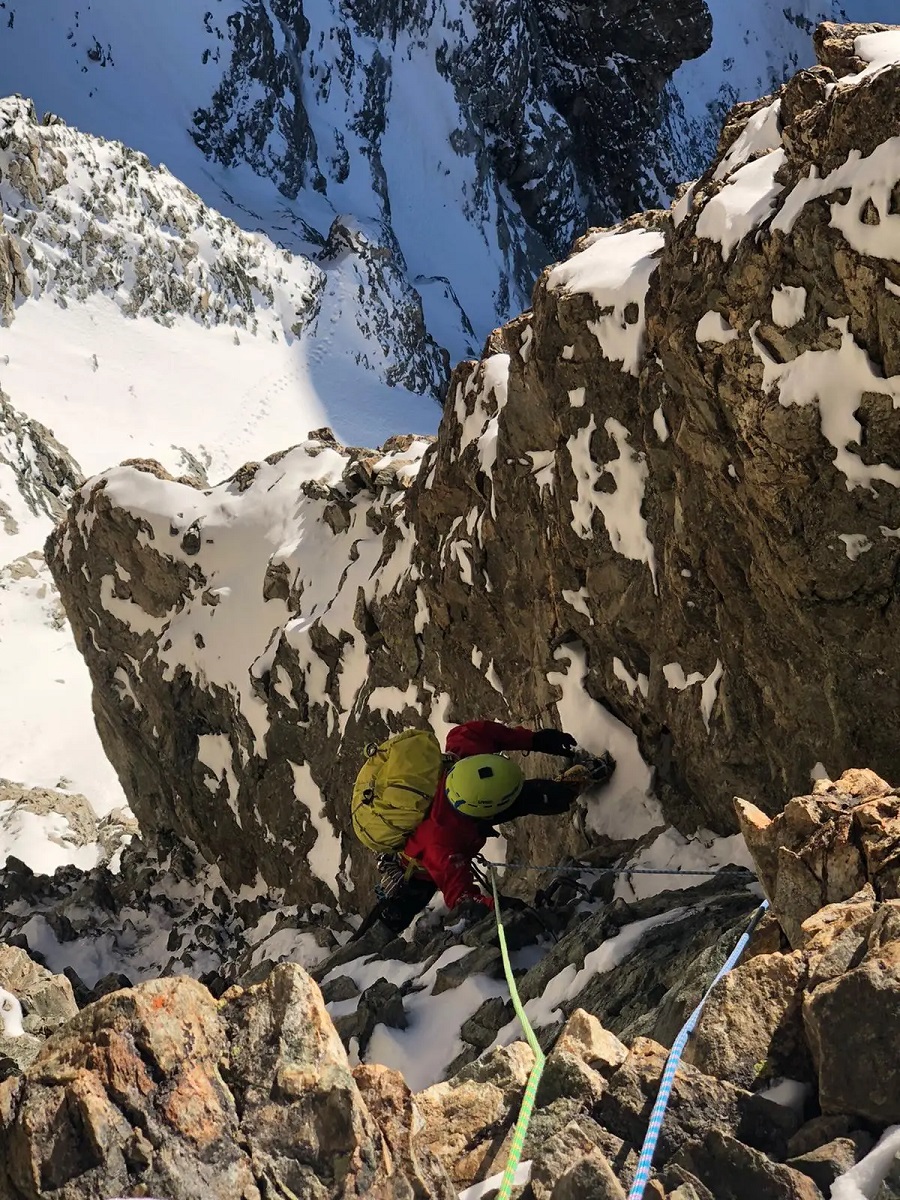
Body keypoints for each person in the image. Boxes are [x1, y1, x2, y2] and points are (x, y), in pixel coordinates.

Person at [368, 720, 615, 937]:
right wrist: (495, 906)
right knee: (395, 915)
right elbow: (462, 899)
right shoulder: (441, 845)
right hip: (418, 868)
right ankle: (366, 945)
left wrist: (535, 740)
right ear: (483, 810)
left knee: (538, 796)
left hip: (466, 814)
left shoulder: (467, 752)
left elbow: (480, 732)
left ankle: (575, 783)